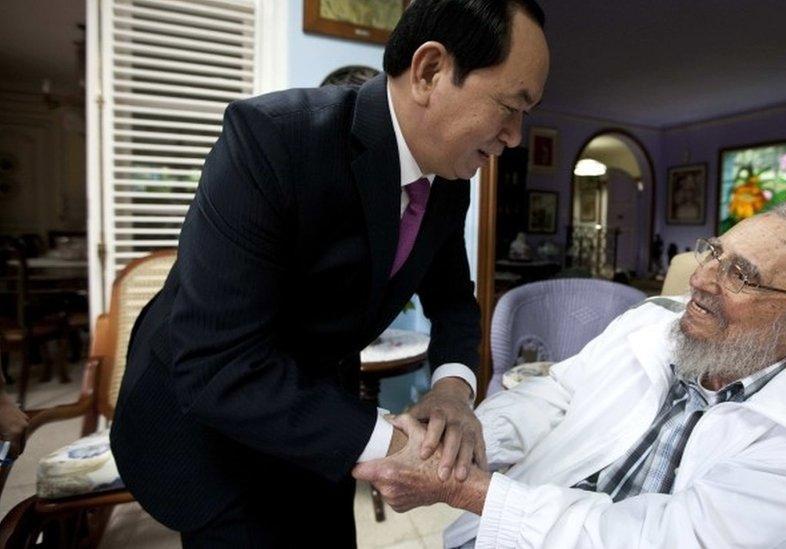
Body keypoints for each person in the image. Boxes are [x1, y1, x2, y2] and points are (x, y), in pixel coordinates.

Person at [109, 0, 549, 546]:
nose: (516, 136)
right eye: (511, 105)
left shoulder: (449, 177)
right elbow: (218, 360)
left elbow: (454, 298)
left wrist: (452, 393)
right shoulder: (271, 138)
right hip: (207, 424)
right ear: (430, 71)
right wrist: (394, 446)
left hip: (324, 415)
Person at [354, 202, 786, 548]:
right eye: (714, 252)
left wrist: (469, 489)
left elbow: (679, 540)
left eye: (741, 274)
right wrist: (464, 442)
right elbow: (558, 393)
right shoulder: (655, 321)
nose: (702, 279)